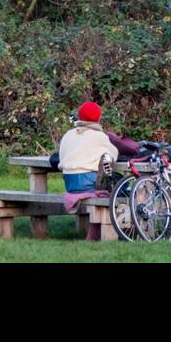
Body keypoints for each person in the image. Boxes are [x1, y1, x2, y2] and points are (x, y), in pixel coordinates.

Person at [56, 101, 119, 242]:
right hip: (87, 182)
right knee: (116, 185)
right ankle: (115, 228)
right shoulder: (100, 137)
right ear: (98, 118)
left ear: (79, 116)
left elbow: (61, 156)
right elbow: (114, 155)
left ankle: (95, 230)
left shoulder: (68, 134)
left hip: (69, 183)